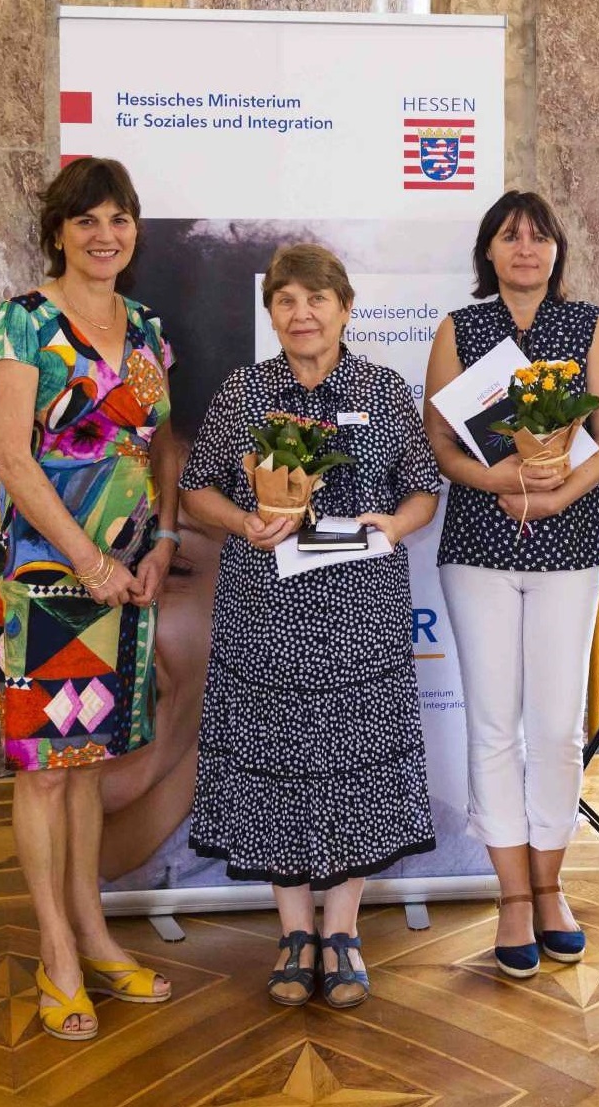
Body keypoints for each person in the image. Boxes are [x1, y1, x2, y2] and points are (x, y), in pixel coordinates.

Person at [179, 243, 443, 1009]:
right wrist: (241, 519)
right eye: (286, 300)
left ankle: (343, 930)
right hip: (265, 612)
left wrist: (392, 524)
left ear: (345, 307)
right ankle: (293, 931)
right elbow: (197, 490)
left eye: (316, 299)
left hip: (361, 614)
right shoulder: (243, 393)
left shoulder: (383, 390)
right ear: (271, 314)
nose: (302, 313)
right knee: (279, 762)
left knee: (355, 764)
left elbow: (423, 490)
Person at [0, 156, 177, 1042]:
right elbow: (15, 460)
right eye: (87, 219)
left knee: (89, 763)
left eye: (120, 218)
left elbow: (159, 444)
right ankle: (56, 949)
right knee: (44, 771)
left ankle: (95, 931)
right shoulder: (22, 324)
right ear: (58, 229)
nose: (105, 234)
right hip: (50, 582)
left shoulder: (144, 326)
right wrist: (89, 560)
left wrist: (161, 541)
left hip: (128, 581)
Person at [424, 191, 599, 979]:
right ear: (489, 250)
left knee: (554, 726)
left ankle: (550, 886)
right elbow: (439, 438)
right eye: (510, 237)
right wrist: (493, 479)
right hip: (477, 539)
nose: (525, 249)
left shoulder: (588, 326)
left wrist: (555, 495)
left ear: (556, 252)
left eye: (540, 237)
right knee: (492, 724)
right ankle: (510, 895)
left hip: (570, 542)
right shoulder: (460, 328)